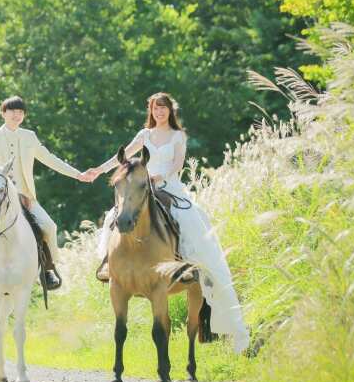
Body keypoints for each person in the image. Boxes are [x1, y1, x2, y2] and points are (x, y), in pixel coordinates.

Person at [84, 92, 250, 353]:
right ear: (151, 111)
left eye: (163, 108)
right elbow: (124, 157)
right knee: (111, 218)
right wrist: (98, 170)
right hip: (141, 187)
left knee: (187, 219)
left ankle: (189, 264)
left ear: (170, 111)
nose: (159, 112)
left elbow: (178, 163)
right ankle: (109, 264)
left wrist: (159, 177)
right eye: (155, 108)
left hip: (168, 187)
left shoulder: (177, 136)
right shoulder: (144, 135)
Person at [0, 96, 92, 290]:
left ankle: (49, 269)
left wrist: (78, 175)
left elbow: (50, 159)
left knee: (49, 227)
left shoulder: (29, 137)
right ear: (3, 113)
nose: (17, 115)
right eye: (12, 111)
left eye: (20, 112)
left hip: (25, 197)